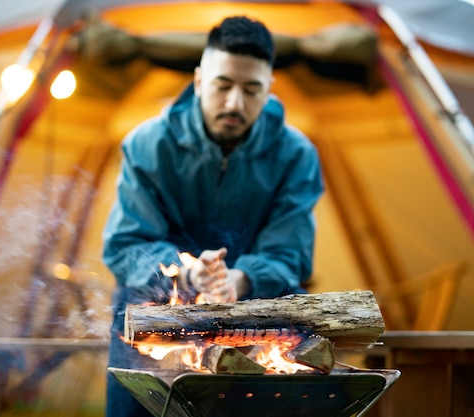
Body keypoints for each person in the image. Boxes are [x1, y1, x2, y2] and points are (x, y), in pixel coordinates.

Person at [101, 15, 324, 417]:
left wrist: (240, 278)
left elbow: (289, 253)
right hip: (161, 304)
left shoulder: (296, 155)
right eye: (223, 86)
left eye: (252, 90)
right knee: (131, 309)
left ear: (269, 89)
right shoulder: (148, 145)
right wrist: (184, 273)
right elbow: (126, 246)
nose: (235, 103)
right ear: (200, 80)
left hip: (253, 308)